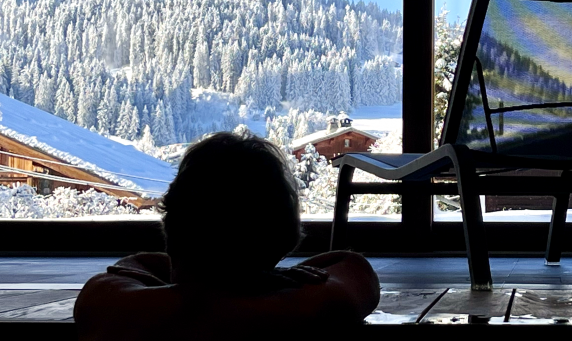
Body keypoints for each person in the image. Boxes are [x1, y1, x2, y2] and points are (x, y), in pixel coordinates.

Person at [74, 132, 380, 340]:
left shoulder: (117, 308)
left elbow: (128, 269)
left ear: (174, 228)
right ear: (280, 239)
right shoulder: (311, 306)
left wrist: (207, 277)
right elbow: (351, 266)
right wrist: (260, 278)